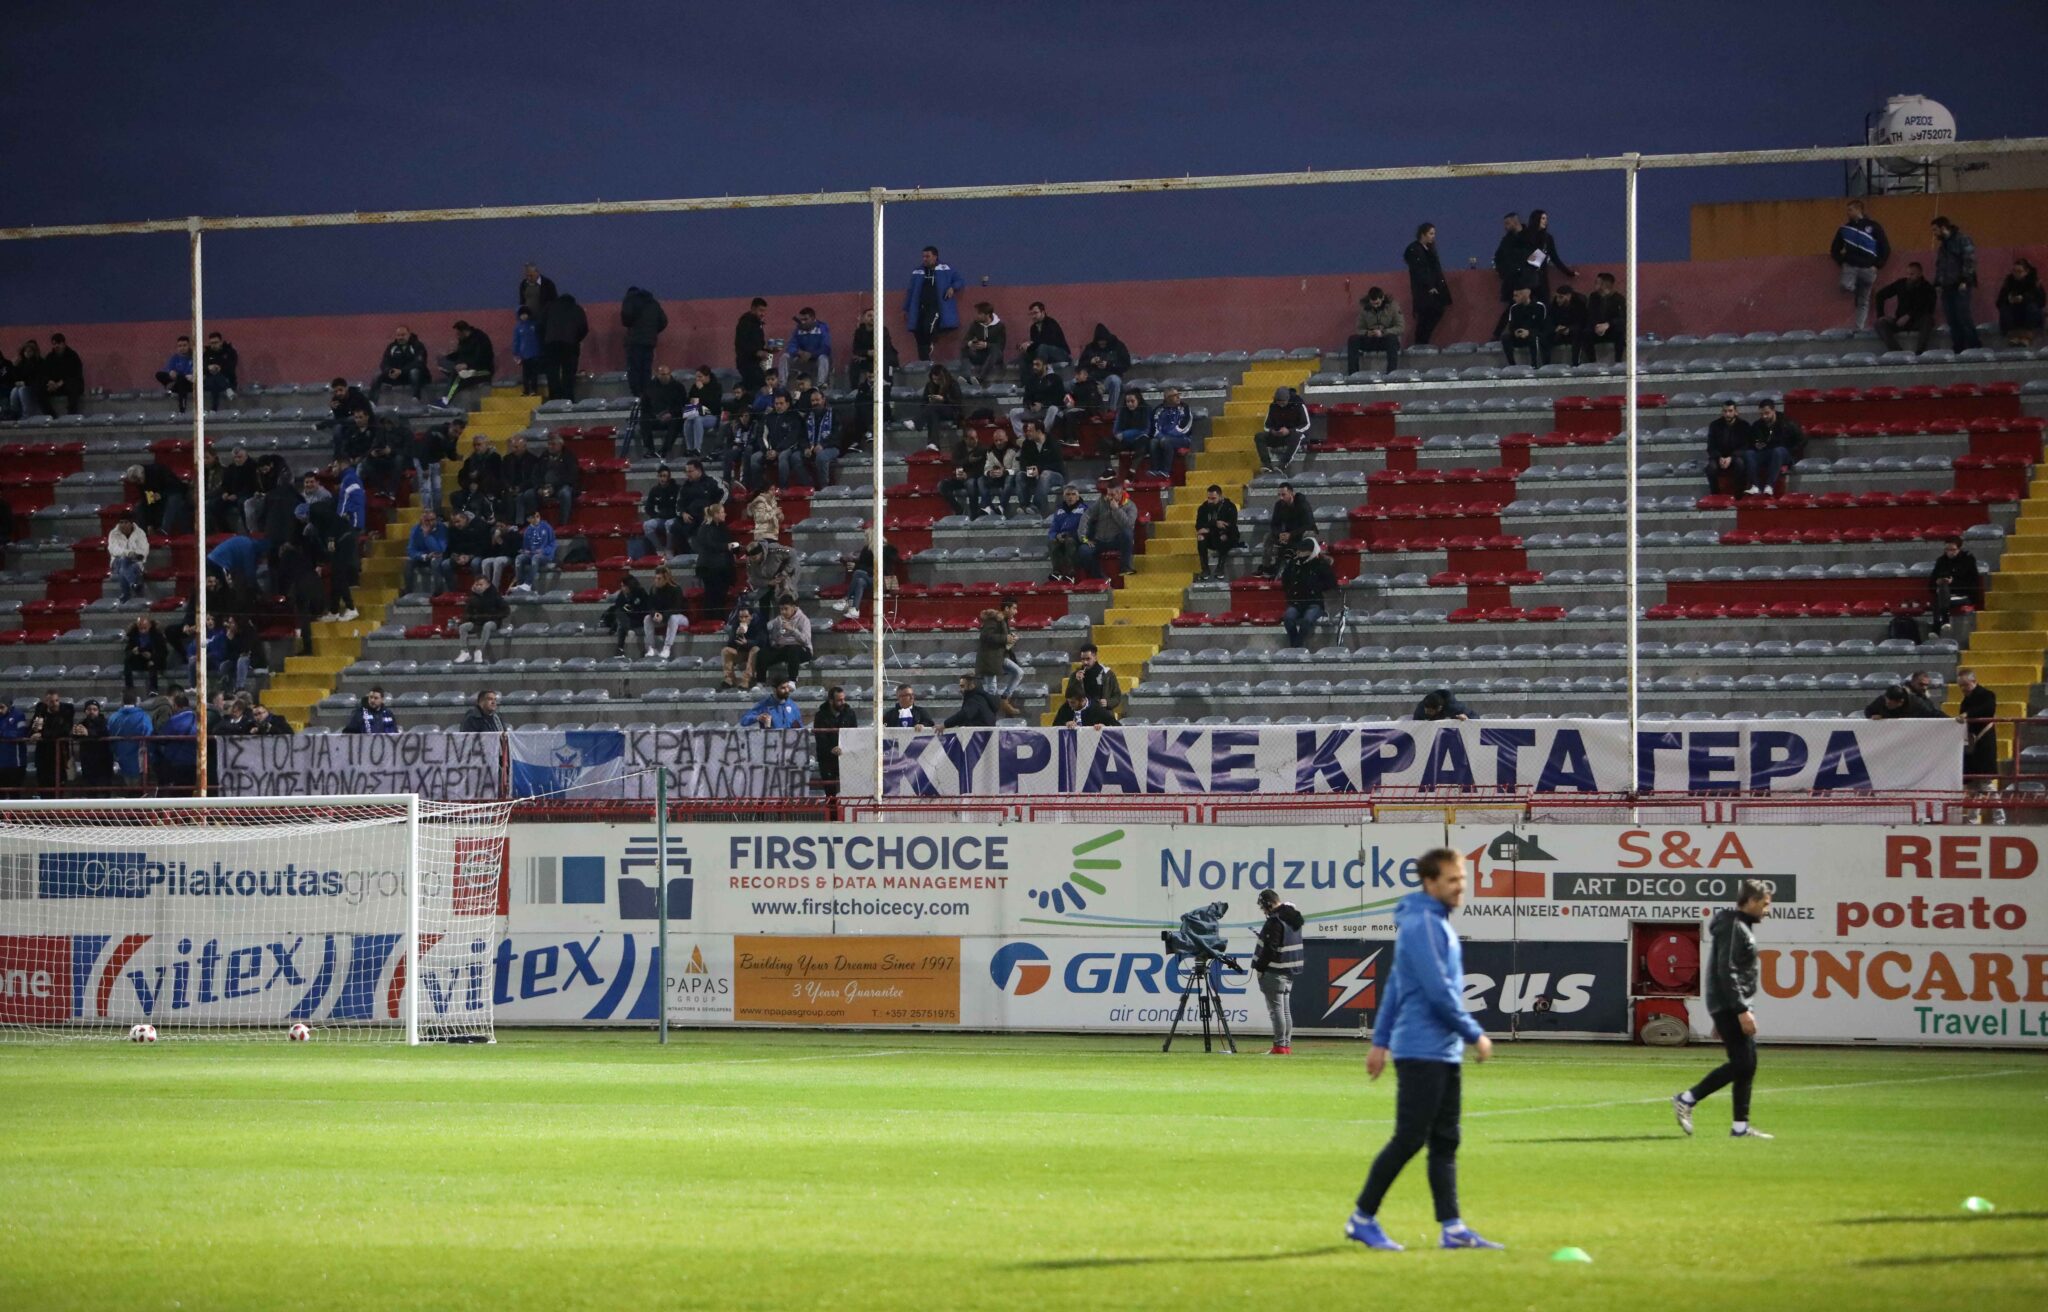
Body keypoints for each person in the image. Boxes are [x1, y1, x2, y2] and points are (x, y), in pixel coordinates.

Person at [1347, 848, 1504, 1253]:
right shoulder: (1423, 926)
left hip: (1441, 1051)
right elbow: (1437, 992)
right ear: (1430, 883)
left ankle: (1452, 1229)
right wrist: (1475, 1033)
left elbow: (1397, 985)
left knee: (1445, 1139)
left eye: (1462, 879)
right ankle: (1361, 1218)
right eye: (1453, 880)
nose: (1461, 887)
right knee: (1410, 1138)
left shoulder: (1429, 923)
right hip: (1422, 1050)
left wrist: (1379, 1043)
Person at [1673, 879, 1775, 1141]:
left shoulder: (1737, 926)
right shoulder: (1733, 927)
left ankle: (1740, 1128)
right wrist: (1740, 1009)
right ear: (1751, 901)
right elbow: (1726, 970)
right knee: (1743, 1063)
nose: (1767, 910)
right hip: (1731, 1005)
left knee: (1747, 1065)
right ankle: (1687, 1098)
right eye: (1764, 904)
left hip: (1729, 1005)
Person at [1252, 888, 1305, 1055]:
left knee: (1276, 1010)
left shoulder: (1275, 921)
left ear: (1267, 904)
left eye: (1263, 907)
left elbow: (1270, 949)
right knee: (1285, 1010)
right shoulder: (1292, 918)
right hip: (1288, 972)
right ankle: (1285, 1045)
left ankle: (1279, 1046)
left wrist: (1260, 968)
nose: (1263, 911)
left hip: (1274, 971)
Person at [1830, 199, 1891, 332]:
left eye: (1850, 210)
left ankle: (1859, 328)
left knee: (1863, 301)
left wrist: (1878, 265)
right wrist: (1842, 261)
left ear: (1859, 209)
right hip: (1851, 267)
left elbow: (1885, 247)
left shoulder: (1874, 226)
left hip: (1868, 268)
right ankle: (1853, 287)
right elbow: (1834, 249)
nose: (1847, 213)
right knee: (1845, 286)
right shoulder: (1844, 229)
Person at [904, 246, 966, 361]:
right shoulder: (918, 271)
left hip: (937, 306)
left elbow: (960, 280)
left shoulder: (946, 269)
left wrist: (953, 288)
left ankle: (930, 344)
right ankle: (924, 360)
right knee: (918, 331)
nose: (924, 259)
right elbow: (911, 291)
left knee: (929, 327)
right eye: (923, 256)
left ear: (935, 257)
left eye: (927, 256)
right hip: (920, 308)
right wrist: (906, 308)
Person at [1930, 216, 1980, 352]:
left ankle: (1974, 345)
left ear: (1943, 228)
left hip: (1960, 285)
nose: (1934, 234)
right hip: (1947, 286)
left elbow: (1969, 261)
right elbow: (1940, 265)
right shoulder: (1944, 246)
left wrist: (1965, 280)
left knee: (1963, 316)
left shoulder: (1962, 240)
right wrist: (1938, 283)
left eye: (1935, 230)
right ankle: (1959, 347)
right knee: (1952, 319)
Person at [1956, 669, 2000, 812]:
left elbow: (1988, 709)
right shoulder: (1965, 701)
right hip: (1971, 745)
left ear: (1974, 682)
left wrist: (1968, 714)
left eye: (1965, 685)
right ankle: (1972, 819)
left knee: (1986, 783)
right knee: (1973, 787)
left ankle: (1999, 816)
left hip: (1984, 743)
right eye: (1960, 686)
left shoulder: (1987, 695)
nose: (1963, 689)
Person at [1280, 537, 1336, 648]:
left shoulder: (1320, 565)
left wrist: (1315, 587)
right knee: (1288, 619)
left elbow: (1331, 583)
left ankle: (1297, 646)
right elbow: (1285, 580)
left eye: (1303, 551)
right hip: (1296, 602)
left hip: (1314, 602)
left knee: (1307, 621)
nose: (1300, 553)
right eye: (1299, 551)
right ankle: (1295, 645)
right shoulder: (1294, 565)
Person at [1403, 223, 1453, 346]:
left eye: (1434, 234)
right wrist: (1429, 286)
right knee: (1425, 316)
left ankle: (1422, 342)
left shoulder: (1429, 249)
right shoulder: (1414, 249)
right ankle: (1420, 343)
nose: (1433, 236)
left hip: (1434, 288)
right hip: (1424, 291)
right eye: (1431, 233)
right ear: (1423, 234)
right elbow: (1419, 270)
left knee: (1434, 313)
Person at [1874, 262, 1938, 355]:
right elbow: (1880, 295)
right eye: (1908, 274)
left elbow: (1929, 308)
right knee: (1879, 323)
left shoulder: (1928, 288)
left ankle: (1919, 353)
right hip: (1899, 321)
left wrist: (1909, 315)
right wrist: (1881, 315)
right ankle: (1897, 352)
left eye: (1912, 274)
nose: (1909, 277)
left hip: (1918, 321)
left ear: (1920, 273)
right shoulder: (1901, 284)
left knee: (1928, 320)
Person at [1744, 400, 1804, 496]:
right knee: (1749, 454)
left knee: (1778, 451)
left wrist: (1792, 452)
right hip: (1766, 452)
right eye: (1762, 414)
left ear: (1773, 410)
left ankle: (1769, 486)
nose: (1764, 416)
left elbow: (1802, 440)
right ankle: (1755, 486)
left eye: (1767, 413)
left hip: (1784, 452)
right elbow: (1751, 442)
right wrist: (1757, 445)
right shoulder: (1757, 425)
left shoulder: (1787, 423)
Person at [977, 597, 1026, 716]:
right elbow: (985, 637)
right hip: (989, 659)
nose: (1016, 612)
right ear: (1006, 608)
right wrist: (1005, 638)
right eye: (1014, 608)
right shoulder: (994, 620)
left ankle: (1004, 699)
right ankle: (986, 713)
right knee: (991, 688)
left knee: (1018, 672)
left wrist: (1010, 640)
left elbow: (999, 639)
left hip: (999, 657)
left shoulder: (1003, 620)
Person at [1080, 483, 1138, 581]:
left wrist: (1116, 509)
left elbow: (1128, 524)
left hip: (1116, 540)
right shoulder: (1101, 501)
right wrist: (1083, 537)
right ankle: (1100, 577)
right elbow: (1086, 515)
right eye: (1108, 494)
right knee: (1083, 550)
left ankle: (1125, 567)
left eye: (1112, 495)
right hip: (1099, 540)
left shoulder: (1130, 506)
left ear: (1120, 493)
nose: (1108, 497)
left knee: (1127, 533)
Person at [620, 286, 668, 397]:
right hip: (649, 342)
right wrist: (652, 332)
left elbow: (625, 318)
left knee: (634, 369)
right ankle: (646, 394)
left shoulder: (630, 300)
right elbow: (664, 321)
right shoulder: (653, 303)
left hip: (634, 341)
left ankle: (636, 394)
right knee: (646, 369)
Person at [1260, 483, 1316, 577]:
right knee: (1268, 537)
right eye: (1279, 495)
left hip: (1301, 532)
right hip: (1287, 533)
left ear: (1291, 493)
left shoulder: (1303, 505)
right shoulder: (1279, 505)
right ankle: (1266, 567)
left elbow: (1309, 524)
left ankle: (1306, 565)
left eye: (1283, 495)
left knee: (1308, 534)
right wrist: (1280, 534)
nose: (1281, 498)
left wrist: (1291, 534)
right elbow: (1274, 524)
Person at [541, 293, 589, 400]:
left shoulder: (549, 307)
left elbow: (540, 325)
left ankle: (554, 398)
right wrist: (576, 339)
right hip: (570, 345)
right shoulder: (577, 309)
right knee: (568, 372)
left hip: (551, 344)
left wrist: (546, 339)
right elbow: (584, 328)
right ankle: (568, 398)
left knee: (552, 372)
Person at [1928, 536, 1982, 632]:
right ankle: (1944, 621)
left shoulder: (1968, 560)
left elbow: (1973, 583)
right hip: (1945, 594)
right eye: (1947, 550)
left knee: (1938, 599)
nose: (1950, 552)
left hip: (1963, 594)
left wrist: (1953, 583)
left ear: (1959, 549)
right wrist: (1937, 582)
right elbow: (1931, 584)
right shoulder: (1941, 561)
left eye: (1953, 550)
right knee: (1942, 589)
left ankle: (1937, 627)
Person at [1347, 288, 1405, 375]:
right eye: (1373, 304)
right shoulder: (1365, 309)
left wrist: (1383, 332)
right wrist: (1367, 333)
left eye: (1377, 303)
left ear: (1382, 298)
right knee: (1352, 340)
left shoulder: (1393, 307)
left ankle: (1391, 373)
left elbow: (1400, 327)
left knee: (1392, 339)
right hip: (1371, 339)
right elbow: (1359, 329)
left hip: (1386, 339)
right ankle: (1353, 374)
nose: (1375, 306)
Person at [694, 502, 738, 615]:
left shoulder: (722, 527)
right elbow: (708, 544)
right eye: (722, 512)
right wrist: (725, 546)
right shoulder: (705, 527)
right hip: (710, 568)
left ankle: (719, 618)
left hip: (722, 568)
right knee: (712, 595)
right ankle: (711, 618)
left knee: (721, 595)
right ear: (716, 514)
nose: (725, 514)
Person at [1255, 386, 1313, 473]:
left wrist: (1290, 431)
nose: (1281, 404)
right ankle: (1267, 465)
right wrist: (1273, 431)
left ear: (1288, 399)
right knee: (1259, 436)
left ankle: (1283, 464)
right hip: (1279, 435)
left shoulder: (1299, 405)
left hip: (1295, 434)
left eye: (1283, 402)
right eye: (1279, 402)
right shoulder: (1273, 406)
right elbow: (1267, 425)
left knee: (1296, 436)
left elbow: (1306, 424)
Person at [454, 575, 509, 665]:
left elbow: (506, 610)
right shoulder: (472, 597)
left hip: (493, 622)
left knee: (487, 625)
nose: (478, 586)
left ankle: (479, 650)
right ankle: (464, 652)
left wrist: (494, 616)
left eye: (481, 584)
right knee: (463, 627)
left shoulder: (495, 595)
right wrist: (470, 618)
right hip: (478, 622)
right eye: (477, 584)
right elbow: (467, 613)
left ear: (487, 585)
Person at [836, 539, 898, 618]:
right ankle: (855, 609)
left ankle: (846, 599)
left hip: (885, 581)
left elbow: (880, 570)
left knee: (858, 573)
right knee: (860, 581)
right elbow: (864, 567)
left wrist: (860, 568)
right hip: (871, 580)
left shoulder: (887, 552)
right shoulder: (867, 551)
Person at [151, 693, 199, 795]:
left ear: (176, 706)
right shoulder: (198, 719)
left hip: (176, 763)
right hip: (194, 762)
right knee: (188, 792)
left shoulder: (174, 720)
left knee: (176, 795)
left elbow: (162, 738)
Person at [813, 686, 857, 796]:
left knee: (849, 791)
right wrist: (831, 749)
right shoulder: (820, 716)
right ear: (831, 701)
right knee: (830, 793)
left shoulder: (850, 713)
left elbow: (854, 734)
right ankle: (832, 814)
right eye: (839, 700)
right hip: (827, 760)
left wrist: (845, 748)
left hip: (846, 756)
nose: (843, 702)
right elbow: (820, 737)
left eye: (843, 699)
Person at [1078, 323, 1131, 413]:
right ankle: (1096, 412)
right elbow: (1080, 365)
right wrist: (1091, 362)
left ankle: (1112, 410)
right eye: (1100, 342)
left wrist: (1109, 364)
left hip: (1110, 377)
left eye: (1104, 342)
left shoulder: (1118, 346)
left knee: (1115, 380)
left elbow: (1125, 364)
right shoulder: (1090, 348)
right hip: (1094, 379)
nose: (1102, 344)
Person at [1017, 420, 1066, 516]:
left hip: (1055, 475)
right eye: (1027, 431)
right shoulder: (1027, 443)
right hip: (1034, 474)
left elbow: (1058, 465)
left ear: (1039, 431)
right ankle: (1024, 505)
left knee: (1045, 474)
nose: (1027, 433)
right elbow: (1023, 463)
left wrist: (1039, 469)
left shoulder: (1053, 442)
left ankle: (1036, 506)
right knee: (1019, 475)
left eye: (1030, 431)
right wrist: (1030, 470)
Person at [1703, 401, 1752, 496]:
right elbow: (1711, 446)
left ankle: (1739, 495)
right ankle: (1715, 494)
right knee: (1710, 468)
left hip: (1736, 456)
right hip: (1719, 456)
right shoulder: (1714, 425)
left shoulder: (1744, 425)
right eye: (1725, 411)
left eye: (1730, 411)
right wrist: (1719, 457)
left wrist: (1731, 457)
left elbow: (1746, 446)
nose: (1727, 414)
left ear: (1736, 412)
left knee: (1740, 464)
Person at [371, 325, 431, 402]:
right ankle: (372, 402)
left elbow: (419, 363)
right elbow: (384, 363)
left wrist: (402, 371)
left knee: (414, 372)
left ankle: (416, 398)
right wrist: (389, 371)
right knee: (377, 374)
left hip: (416, 377)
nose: (400, 337)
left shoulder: (418, 345)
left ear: (409, 334)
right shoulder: (391, 347)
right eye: (398, 335)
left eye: (403, 335)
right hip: (397, 377)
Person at [440, 320, 495, 403]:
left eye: (458, 334)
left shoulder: (480, 338)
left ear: (464, 331)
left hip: (483, 371)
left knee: (458, 377)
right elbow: (462, 355)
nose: (456, 336)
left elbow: (483, 358)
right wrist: (449, 356)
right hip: (468, 369)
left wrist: (467, 365)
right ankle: (446, 396)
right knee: (449, 365)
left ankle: (445, 401)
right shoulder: (463, 341)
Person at [1063, 643, 1124, 718]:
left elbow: (1117, 696)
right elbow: (1069, 696)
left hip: (1102, 715)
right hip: (1082, 715)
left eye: (1088, 659)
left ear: (1095, 657)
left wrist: (1108, 702)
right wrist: (1077, 681)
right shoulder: (1075, 675)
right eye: (1083, 659)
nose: (1085, 662)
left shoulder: (1107, 674)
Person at [761, 598, 813, 685]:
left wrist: (792, 630)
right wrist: (776, 641)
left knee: (793, 649)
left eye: (786, 609)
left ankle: (792, 680)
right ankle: (760, 682)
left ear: (793, 608)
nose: (783, 612)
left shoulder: (804, 620)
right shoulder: (779, 619)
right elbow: (772, 635)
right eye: (781, 609)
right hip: (784, 649)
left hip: (802, 649)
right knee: (762, 653)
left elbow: (806, 640)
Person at [105, 694, 152, 792]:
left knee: (126, 783)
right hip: (138, 754)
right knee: (138, 784)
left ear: (122, 701)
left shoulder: (114, 717)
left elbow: (109, 733)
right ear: (136, 701)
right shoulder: (143, 716)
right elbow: (148, 733)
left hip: (120, 754)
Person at [1195, 485, 1241, 581]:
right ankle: (1205, 569)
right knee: (1200, 537)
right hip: (1212, 537)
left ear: (1220, 496)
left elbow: (1231, 526)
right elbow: (1199, 527)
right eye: (1208, 498)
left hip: (1228, 536)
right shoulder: (1203, 508)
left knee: (1223, 536)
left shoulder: (1230, 507)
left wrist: (1209, 528)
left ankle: (1220, 568)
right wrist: (1215, 523)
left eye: (1213, 498)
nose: (1210, 501)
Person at [1145, 387, 1194, 479]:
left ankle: (1166, 471)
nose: (1178, 397)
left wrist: (1168, 435)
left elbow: (1185, 427)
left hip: (1183, 438)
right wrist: (1161, 436)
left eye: (1178, 395)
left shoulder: (1184, 408)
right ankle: (1155, 469)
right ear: (1167, 398)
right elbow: (1155, 428)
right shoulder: (1158, 410)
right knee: (1153, 442)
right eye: (1175, 396)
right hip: (1163, 437)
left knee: (1165, 441)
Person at [1996, 257, 2045, 348]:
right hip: (2014, 315)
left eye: (2019, 271)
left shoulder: (2034, 282)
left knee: (2032, 308)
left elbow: (2041, 301)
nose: (2016, 274)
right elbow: (1999, 302)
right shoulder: (2008, 282)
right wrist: (2008, 299)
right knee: (2005, 309)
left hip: (2030, 315)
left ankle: (2027, 336)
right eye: (2014, 271)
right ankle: (2013, 335)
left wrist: (2024, 299)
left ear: (2026, 272)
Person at [644, 564, 690, 660]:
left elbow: (677, 608)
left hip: (680, 618)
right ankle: (651, 648)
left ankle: (667, 648)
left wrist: (663, 616)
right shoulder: (653, 589)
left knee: (673, 618)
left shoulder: (676, 589)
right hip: (662, 617)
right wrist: (654, 614)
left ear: (666, 579)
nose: (656, 581)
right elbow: (650, 605)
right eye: (655, 578)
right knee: (647, 618)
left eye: (659, 579)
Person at [1491, 212, 1530, 321]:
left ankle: (1497, 333)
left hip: (1529, 280)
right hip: (1513, 280)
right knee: (1514, 307)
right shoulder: (1506, 240)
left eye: (1507, 223)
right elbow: (1498, 258)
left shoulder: (1530, 235)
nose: (1505, 227)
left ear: (1515, 221)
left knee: (1527, 307)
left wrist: (1530, 270)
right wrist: (1504, 273)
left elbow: (1539, 253)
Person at [1018, 301, 1071, 381]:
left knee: (1043, 348)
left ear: (1043, 312)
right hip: (1044, 353)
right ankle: (1026, 384)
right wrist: (1026, 347)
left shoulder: (1051, 323)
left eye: (1035, 313)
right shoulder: (1033, 328)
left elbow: (1049, 342)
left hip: (1061, 353)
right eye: (1031, 314)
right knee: (1024, 355)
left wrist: (1030, 344)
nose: (1033, 316)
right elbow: (1035, 346)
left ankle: (1040, 380)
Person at [976, 429, 1022, 519]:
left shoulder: (1015, 450)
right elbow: (986, 468)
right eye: (996, 440)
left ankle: (1001, 507)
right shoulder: (990, 451)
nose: (998, 443)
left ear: (1006, 438)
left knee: (1009, 478)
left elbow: (1017, 469)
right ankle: (987, 506)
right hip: (996, 478)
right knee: (980, 480)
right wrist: (990, 473)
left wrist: (1004, 472)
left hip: (1011, 479)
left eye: (1001, 440)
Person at [404, 509, 451, 596]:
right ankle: (408, 592)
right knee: (408, 562)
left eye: (432, 520)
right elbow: (411, 550)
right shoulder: (415, 530)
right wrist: (424, 556)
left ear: (436, 519)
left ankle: (438, 591)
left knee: (435, 561)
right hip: (423, 556)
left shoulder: (442, 528)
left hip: (439, 556)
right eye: (427, 520)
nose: (430, 523)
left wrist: (427, 536)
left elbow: (440, 550)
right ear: (421, 521)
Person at [1046, 484, 1087, 584]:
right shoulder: (1059, 512)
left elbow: (1085, 529)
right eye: (1068, 494)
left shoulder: (1085, 510)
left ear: (1078, 497)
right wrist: (1056, 536)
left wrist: (1071, 535)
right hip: (1061, 538)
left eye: (1073, 494)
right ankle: (1057, 572)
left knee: (1069, 541)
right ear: (1064, 497)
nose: (1070, 497)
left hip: (1077, 538)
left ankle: (1070, 573)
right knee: (1052, 541)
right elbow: (1052, 530)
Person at [1499, 285, 1547, 366]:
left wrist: (1529, 332)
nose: (1514, 298)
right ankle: (1512, 365)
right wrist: (1515, 332)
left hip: (1534, 335)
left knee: (1534, 337)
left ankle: (1534, 365)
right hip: (1520, 336)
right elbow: (1511, 326)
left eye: (1516, 295)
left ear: (1525, 295)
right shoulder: (1514, 308)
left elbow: (1543, 327)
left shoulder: (1539, 306)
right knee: (1505, 338)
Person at [511, 508, 556, 594]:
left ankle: (528, 584)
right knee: (519, 558)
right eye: (534, 517)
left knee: (535, 558)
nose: (536, 519)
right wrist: (525, 551)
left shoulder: (546, 527)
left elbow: (553, 543)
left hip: (545, 555)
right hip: (532, 554)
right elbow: (526, 547)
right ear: (529, 519)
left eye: (538, 516)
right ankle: (520, 584)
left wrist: (544, 551)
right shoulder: (527, 531)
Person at [107, 512, 150, 603]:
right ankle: (134, 584)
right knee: (123, 560)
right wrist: (128, 553)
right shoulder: (113, 533)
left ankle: (126, 594)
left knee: (125, 569)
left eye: (126, 522)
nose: (123, 525)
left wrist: (134, 556)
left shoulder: (140, 533)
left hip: (135, 562)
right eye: (121, 522)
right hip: (117, 562)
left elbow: (144, 550)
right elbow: (113, 549)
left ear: (131, 523)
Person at [784, 306, 832, 386]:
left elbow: (826, 348)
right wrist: (799, 352)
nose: (802, 322)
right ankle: (782, 385)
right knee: (785, 356)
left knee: (823, 358)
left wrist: (811, 355)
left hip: (816, 360)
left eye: (805, 319)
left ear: (813, 319)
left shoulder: (822, 329)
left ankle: (821, 385)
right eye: (801, 320)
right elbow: (790, 346)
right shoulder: (798, 330)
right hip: (801, 360)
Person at [1585, 272, 1626, 364]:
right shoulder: (1593, 297)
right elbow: (1590, 314)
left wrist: (1608, 325)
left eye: (1597, 282)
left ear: (1604, 284)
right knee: (1586, 333)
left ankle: (1618, 362)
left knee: (1620, 331)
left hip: (1611, 330)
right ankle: (1592, 362)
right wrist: (1596, 326)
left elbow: (1622, 318)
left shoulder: (1618, 299)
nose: (1595, 284)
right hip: (1597, 329)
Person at [961, 302, 1006, 385]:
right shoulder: (975, 325)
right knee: (964, 349)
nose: (976, 316)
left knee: (995, 350)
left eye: (979, 314)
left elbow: (1001, 346)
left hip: (994, 357)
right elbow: (965, 340)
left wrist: (986, 345)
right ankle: (966, 377)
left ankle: (980, 379)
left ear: (987, 315)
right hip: (980, 355)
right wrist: (971, 343)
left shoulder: (1000, 326)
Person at [122, 616, 170, 693]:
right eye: (141, 629)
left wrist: (152, 657)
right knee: (127, 661)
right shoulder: (133, 635)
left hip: (154, 660)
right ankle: (129, 687)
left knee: (152, 664)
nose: (143, 631)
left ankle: (153, 689)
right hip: (139, 660)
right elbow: (127, 651)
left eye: (145, 628)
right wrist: (133, 652)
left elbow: (164, 653)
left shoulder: (157, 635)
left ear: (150, 626)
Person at [920, 363, 964, 448]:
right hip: (935, 412)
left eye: (938, 380)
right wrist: (929, 401)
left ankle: (917, 422)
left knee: (934, 407)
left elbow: (958, 402)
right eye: (934, 380)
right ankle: (933, 444)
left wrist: (943, 399)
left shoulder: (953, 384)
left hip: (951, 411)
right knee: (932, 413)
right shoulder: (929, 385)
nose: (936, 382)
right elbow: (923, 402)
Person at [40, 333, 85, 416]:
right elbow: (44, 373)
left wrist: (60, 383)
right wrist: (49, 381)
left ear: (64, 344)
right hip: (54, 386)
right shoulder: (50, 357)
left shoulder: (72, 356)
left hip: (68, 385)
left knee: (73, 385)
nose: (56, 346)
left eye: (59, 343)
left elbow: (75, 374)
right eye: (54, 344)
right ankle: (51, 415)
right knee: (39, 388)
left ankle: (71, 413)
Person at [1546, 284, 1590, 366]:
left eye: (1561, 297)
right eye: (1557, 297)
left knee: (1579, 335)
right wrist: (1556, 328)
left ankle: (1576, 364)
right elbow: (1549, 321)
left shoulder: (1579, 305)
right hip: (1558, 332)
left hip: (1573, 332)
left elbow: (1582, 322)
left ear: (1569, 296)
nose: (1558, 300)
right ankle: (1546, 364)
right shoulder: (1554, 306)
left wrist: (1569, 329)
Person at [721, 600, 760, 689]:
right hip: (740, 653)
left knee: (755, 649)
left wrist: (747, 642)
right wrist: (736, 635)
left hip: (754, 653)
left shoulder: (758, 625)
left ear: (751, 616)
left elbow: (761, 642)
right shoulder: (736, 625)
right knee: (726, 651)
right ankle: (729, 679)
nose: (743, 619)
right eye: (741, 617)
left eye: (746, 617)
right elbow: (730, 644)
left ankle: (746, 680)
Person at [735, 298, 770, 393]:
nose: (763, 314)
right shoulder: (745, 323)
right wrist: (756, 352)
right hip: (746, 363)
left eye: (764, 311)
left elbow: (759, 344)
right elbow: (741, 344)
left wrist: (768, 350)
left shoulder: (758, 324)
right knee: (761, 387)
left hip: (756, 362)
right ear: (753, 309)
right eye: (761, 310)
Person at [154, 335, 196, 411]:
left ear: (189, 346)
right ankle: (171, 385)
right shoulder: (174, 357)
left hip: (189, 384)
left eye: (184, 345)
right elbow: (170, 370)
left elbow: (190, 374)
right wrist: (171, 372)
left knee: (181, 378)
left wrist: (179, 375)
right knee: (159, 374)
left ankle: (182, 409)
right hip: (176, 381)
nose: (182, 348)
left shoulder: (194, 357)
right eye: (180, 346)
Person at [201, 331, 239, 410]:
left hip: (228, 379)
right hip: (209, 381)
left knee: (216, 380)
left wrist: (220, 368)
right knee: (214, 378)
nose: (214, 345)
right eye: (211, 343)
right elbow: (202, 367)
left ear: (221, 342)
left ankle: (214, 410)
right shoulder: (207, 354)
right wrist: (209, 368)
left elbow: (232, 367)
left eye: (216, 342)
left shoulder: (230, 352)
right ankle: (228, 390)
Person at [1111, 388, 1151, 461]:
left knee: (1144, 441)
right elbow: (1116, 431)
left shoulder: (1146, 409)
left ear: (1138, 400)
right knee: (1104, 443)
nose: (1129, 404)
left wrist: (1125, 434)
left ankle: (1132, 469)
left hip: (1139, 440)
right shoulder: (1122, 410)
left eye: (1132, 401)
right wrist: (1120, 435)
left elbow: (1145, 430)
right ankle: (1109, 469)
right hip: (1124, 441)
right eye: (1127, 401)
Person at [512, 307, 543, 395]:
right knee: (525, 374)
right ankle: (526, 390)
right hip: (524, 355)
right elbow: (516, 341)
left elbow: (538, 339)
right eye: (522, 314)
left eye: (525, 314)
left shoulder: (534, 325)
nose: (524, 316)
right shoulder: (518, 328)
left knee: (534, 374)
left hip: (534, 354)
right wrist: (516, 353)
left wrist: (539, 351)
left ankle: (534, 390)